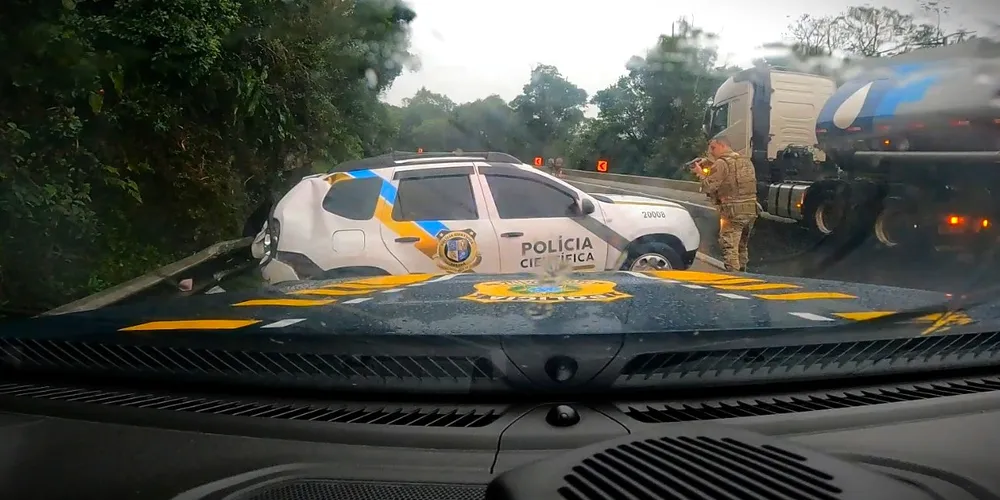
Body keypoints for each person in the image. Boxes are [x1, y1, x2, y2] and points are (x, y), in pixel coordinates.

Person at [691, 134, 758, 272]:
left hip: (733, 211)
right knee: (742, 246)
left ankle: (734, 277)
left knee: (730, 246)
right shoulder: (745, 160)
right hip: (751, 209)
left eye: (713, 148)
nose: (711, 152)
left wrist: (700, 174)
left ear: (723, 145)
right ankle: (744, 272)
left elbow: (709, 186)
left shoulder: (721, 163)